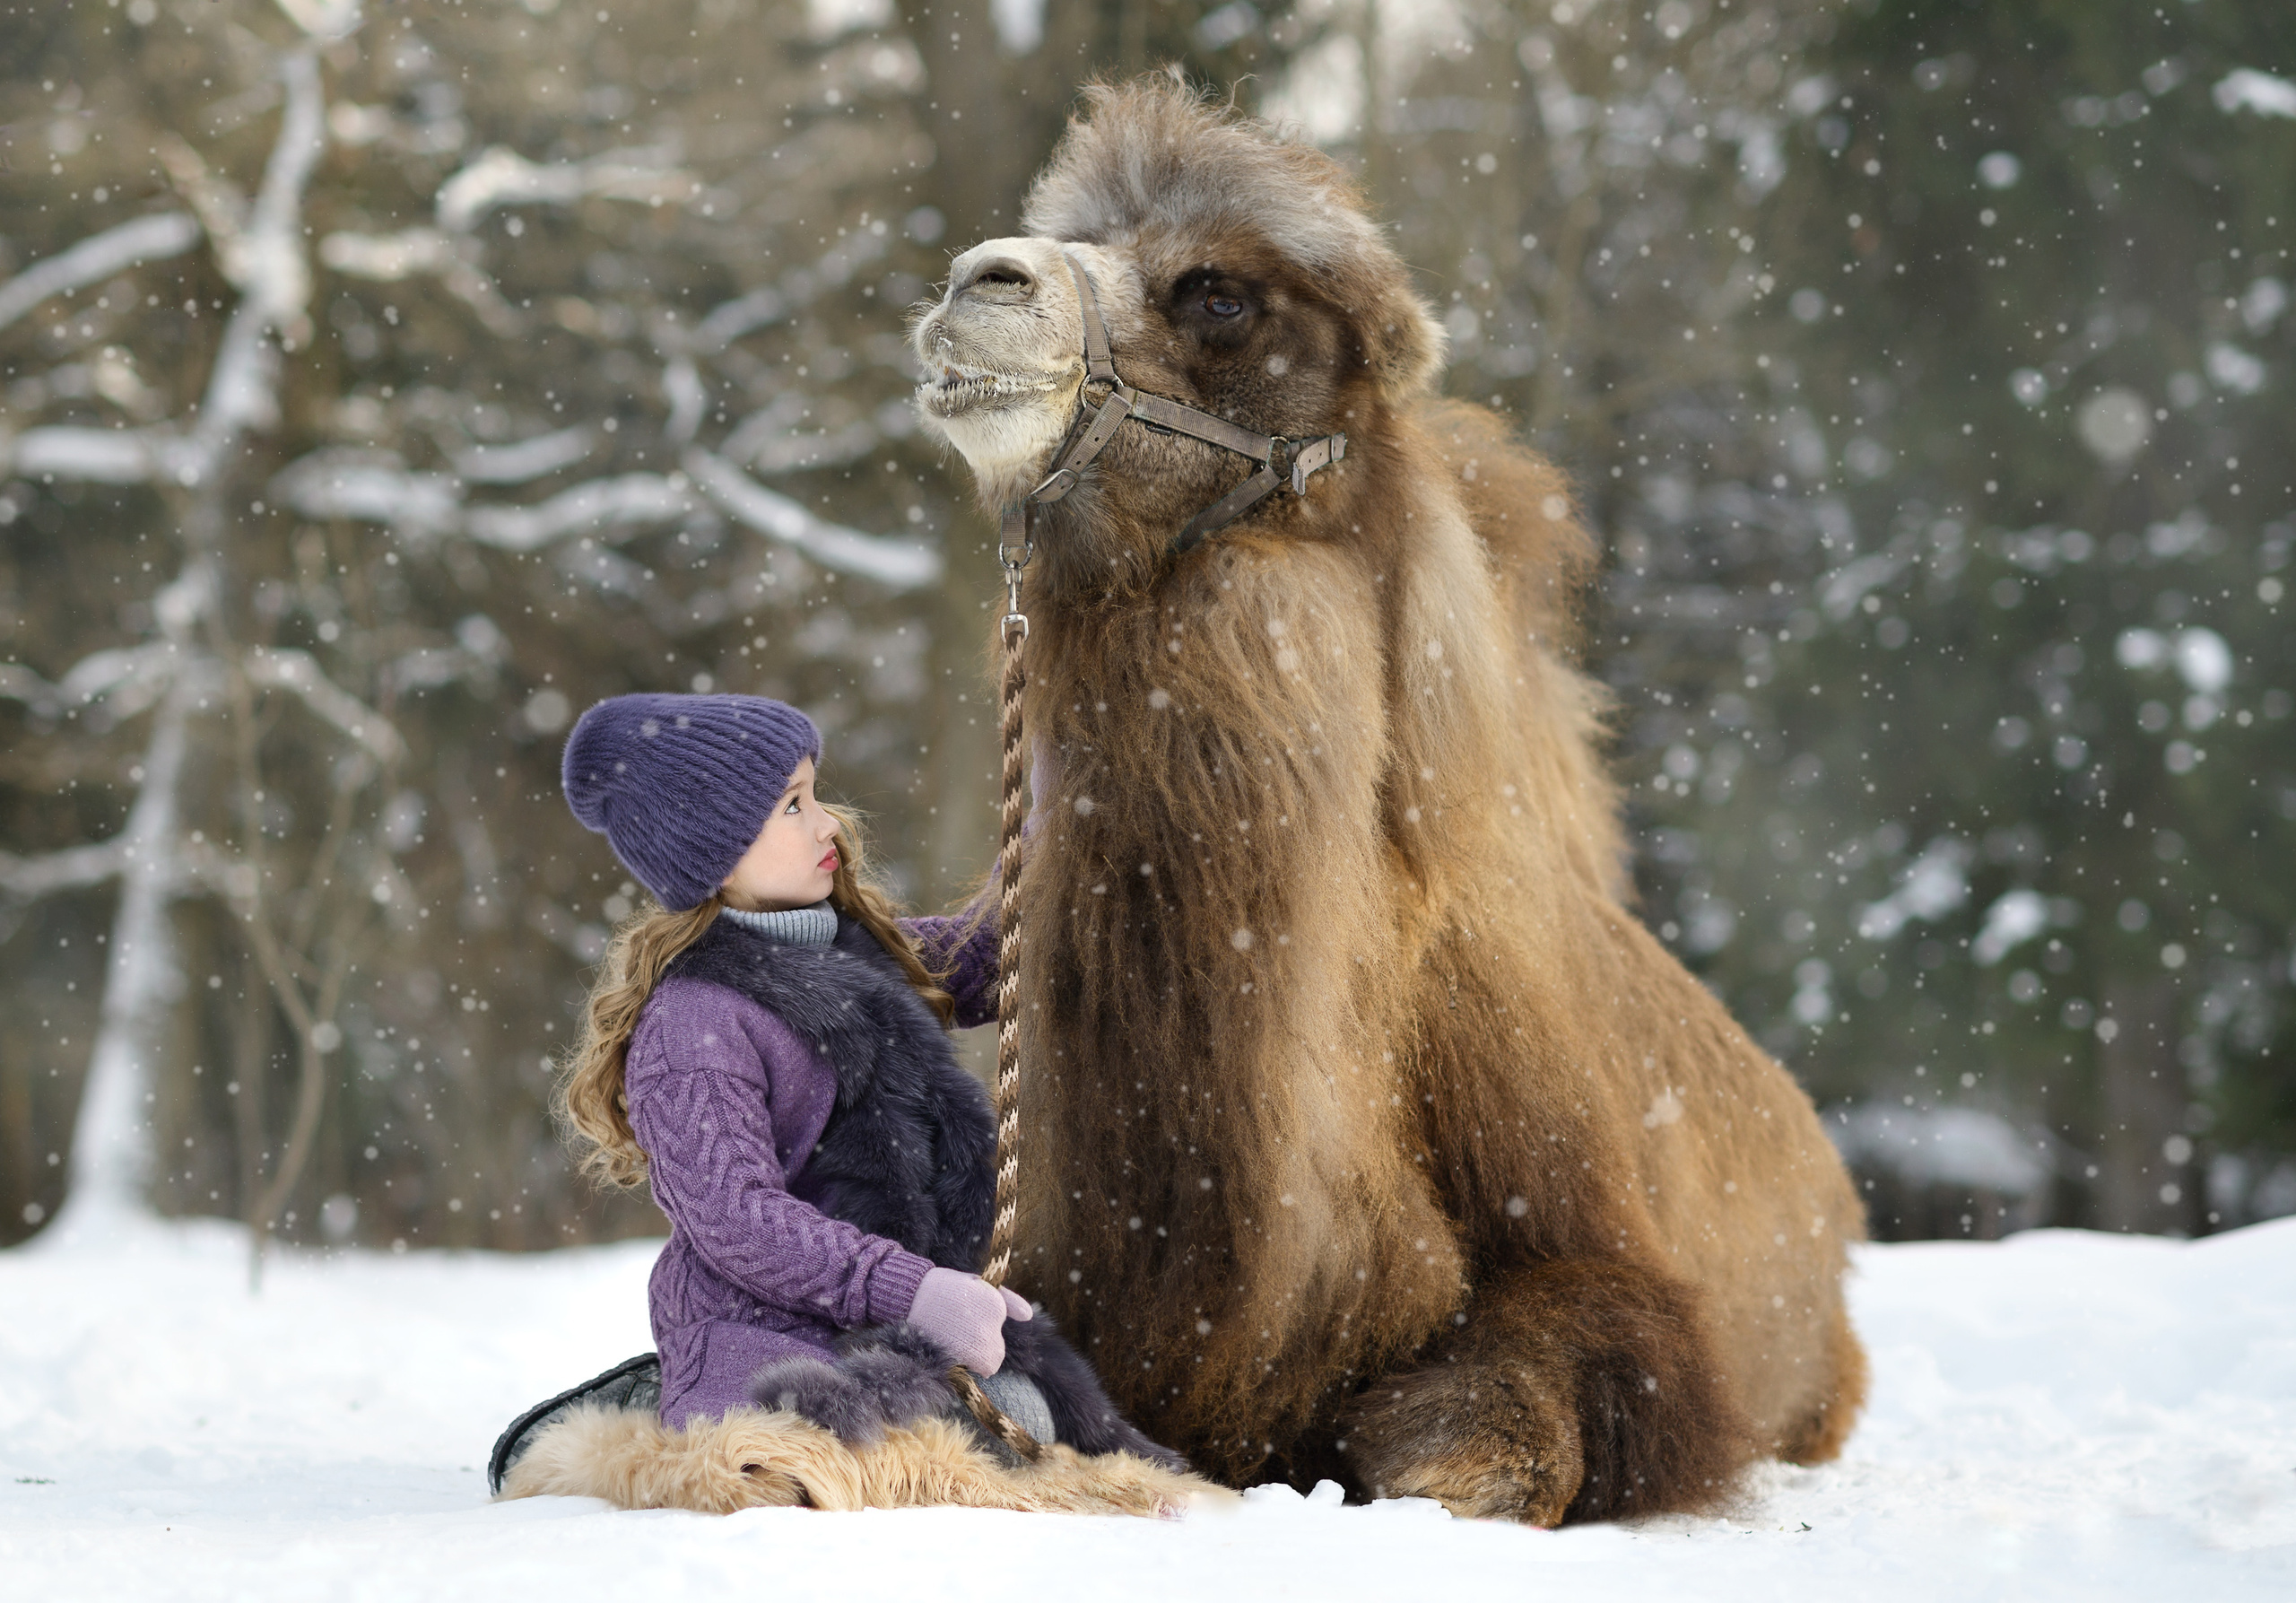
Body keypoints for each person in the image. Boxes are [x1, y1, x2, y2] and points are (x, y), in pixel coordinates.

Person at [540, 692, 1173, 1467]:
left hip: (890, 1320)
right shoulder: (693, 1024)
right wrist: (915, 1291)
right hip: (761, 1331)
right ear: (715, 851)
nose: (827, 822)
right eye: (791, 807)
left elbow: (989, 951)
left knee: (1028, 1419)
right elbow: (740, 1220)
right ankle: (660, 1388)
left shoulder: (857, 955)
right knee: (821, 1456)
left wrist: (1051, 814)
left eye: (815, 794)